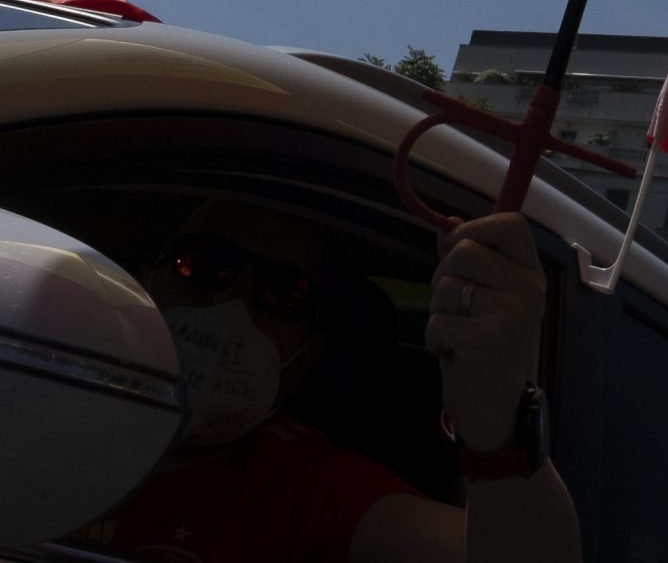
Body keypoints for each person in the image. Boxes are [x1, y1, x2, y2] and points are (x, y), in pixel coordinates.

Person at [77, 198, 582, 563]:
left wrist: (498, 420)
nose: (231, 309)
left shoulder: (300, 486)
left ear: (303, 357)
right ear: (144, 281)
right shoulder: (42, 391)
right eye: (204, 266)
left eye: (282, 292)